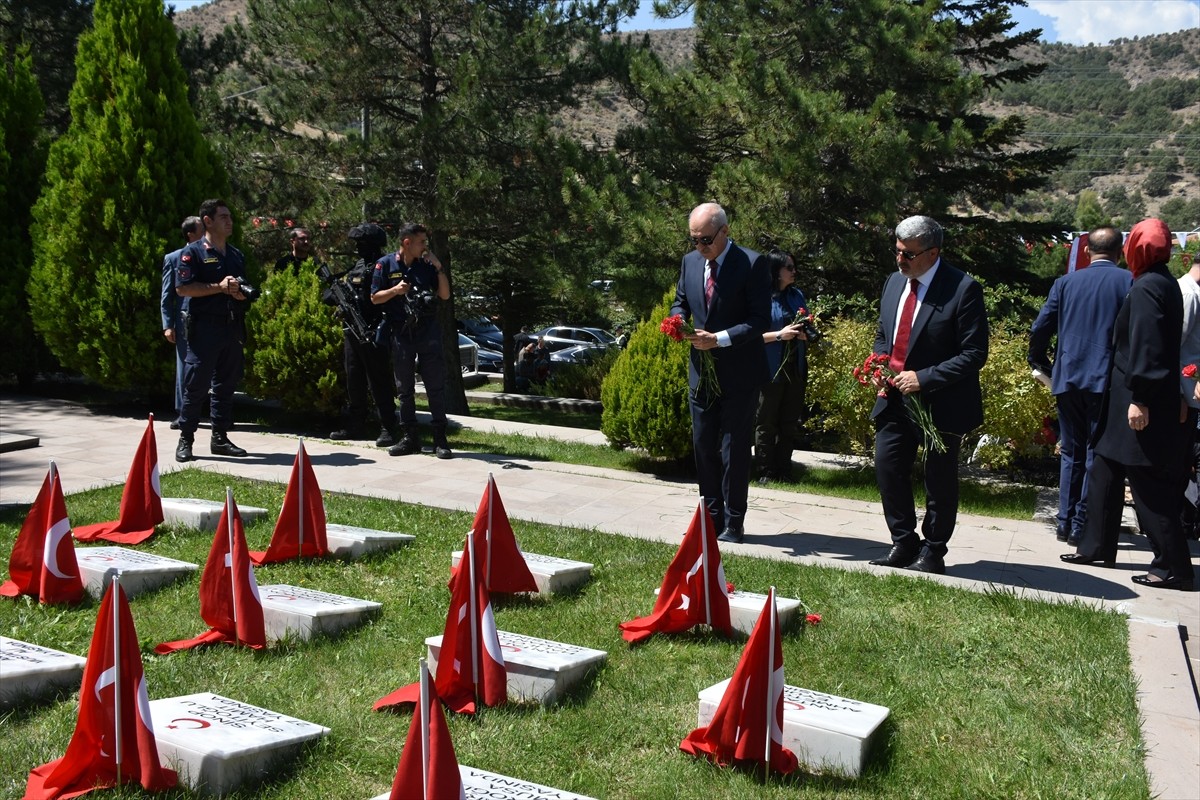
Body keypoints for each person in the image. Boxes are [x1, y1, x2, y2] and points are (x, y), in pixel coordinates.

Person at [1062, 218, 1195, 591]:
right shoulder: (1160, 281)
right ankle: (1095, 546)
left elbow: (1149, 347)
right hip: (1127, 396)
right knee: (1104, 469)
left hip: (1138, 400)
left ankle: (1174, 567)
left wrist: (1140, 399)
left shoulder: (1150, 286)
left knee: (1147, 484)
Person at [869, 215, 989, 575]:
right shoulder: (894, 281)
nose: (900, 260)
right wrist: (879, 365)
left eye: (908, 254)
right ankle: (903, 542)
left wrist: (924, 378)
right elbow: (883, 333)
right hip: (893, 397)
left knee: (938, 480)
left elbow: (974, 353)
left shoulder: (962, 289)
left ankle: (933, 551)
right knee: (888, 467)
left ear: (933, 253)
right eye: (897, 251)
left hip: (941, 402)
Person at [669, 202, 771, 544]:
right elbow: (681, 302)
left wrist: (719, 339)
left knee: (734, 449)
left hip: (740, 373)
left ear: (725, 231)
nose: (700, 246)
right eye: (694, 239)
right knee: (703, 446)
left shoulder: (752, 263)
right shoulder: (690, 262)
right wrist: (679, 323)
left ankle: (734, 521)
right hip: (701, 371)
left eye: (706, 239)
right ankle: (710, 519)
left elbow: (759, 319)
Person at [1028, 227, 1132, 545]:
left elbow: (1040, 327)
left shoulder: (1065, 283)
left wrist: (1041, 362)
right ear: (1121, 252)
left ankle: (1064, 521)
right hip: (1105, 380)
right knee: (1094, 452)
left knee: (1071, 451)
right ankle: (1080, 522)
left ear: (1087, 251)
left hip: (1068, 376)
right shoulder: (1128, 282)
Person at [174, 199, 251, 462]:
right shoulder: (193, 253)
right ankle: (186, 439)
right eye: (223, 217)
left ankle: (220, 438)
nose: (230, 221)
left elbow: (242, 285)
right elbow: (183, 288)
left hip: (232, 327)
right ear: (207, 221)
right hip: (204, 329)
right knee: (196, 386)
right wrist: (219, 287)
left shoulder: (236, 255)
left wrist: (241, 294)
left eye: (230, 216)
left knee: (225, 386)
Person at [370, 222, 452, 459]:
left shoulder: (426, 265)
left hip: (427, 331)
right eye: (421, 242)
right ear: (407, 242)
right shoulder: (385, 264)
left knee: (435, 386)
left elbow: (444, 295)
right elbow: (375, 297)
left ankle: (440, 439)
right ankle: (410, 438)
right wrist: (395, 290)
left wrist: (439, 267)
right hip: (401, 334)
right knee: (404, 389)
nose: (425, 246)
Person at [328, 223, 399, 447]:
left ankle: (388, 426)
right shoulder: (357, 266)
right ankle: (355, 424)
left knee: (379, 381)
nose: (358, 247)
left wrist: (380, 326)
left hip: (374, 331)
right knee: (354, 378)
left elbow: (390, 298)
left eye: (362, 243)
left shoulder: (385, 264)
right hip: (353, 331)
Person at [755, 249, 811, 482]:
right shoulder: (761, 298)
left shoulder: (797, 295)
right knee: (766, 422)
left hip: (795, 368)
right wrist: (780, 334)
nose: (794, 271)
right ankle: (766, 472)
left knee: (789, 423)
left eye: (794, 266)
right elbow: (750, 336)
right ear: (776, 271)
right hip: (770, 369)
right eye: (789, 267)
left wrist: (806, 334)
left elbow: (807, 325)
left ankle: (784, 470)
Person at [161, 215, 203, 429]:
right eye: (201, 229)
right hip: (185, 321)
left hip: (209, 319)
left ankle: (216, 413)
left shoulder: (211, 255)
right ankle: (183, 413)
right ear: (190, 234)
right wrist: (168, 325)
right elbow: (167, 295)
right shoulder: (174, 258)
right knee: (184, 368)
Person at [1178, 255, 1200, 539]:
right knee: (1185, 463)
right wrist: (1178, 396)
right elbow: (1174, 346)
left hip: (1191, 394)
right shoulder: (1189, 294)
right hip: (1186, 395)